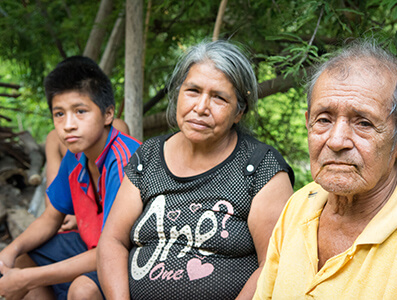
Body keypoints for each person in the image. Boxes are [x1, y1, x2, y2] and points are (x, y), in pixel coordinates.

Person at [97, 40, 295, 300]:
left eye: (219, 98)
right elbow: (112, 242)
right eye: (193, 91)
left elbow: (273, 264)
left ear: (239, 111)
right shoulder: (149, 157)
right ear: (178, 93)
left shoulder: (260, 168)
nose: (201, 108)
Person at [253, 39, 397, 299]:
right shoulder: (300, 203)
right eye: (323, 119)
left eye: (364, 123)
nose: (336, 140)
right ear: (308, 123)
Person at [0, 56, 141, 299]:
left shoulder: (125, 160)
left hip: (130, 256)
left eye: (80, 111)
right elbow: (50, 218)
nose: (68, 125)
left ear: (108, 114)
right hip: (92, 246)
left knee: (82, 289)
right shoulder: (75, 157)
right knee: (23, 260)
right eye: (59, 114)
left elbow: (112, 248)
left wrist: (26, 279)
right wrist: (9, 252)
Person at [45, 118, 130, 232]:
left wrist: (80, 216)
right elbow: (53, 185)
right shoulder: (54, 138)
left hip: (110, 215)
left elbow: (120, 181)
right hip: (75, 207)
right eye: (60, 113)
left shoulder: (115, 126)